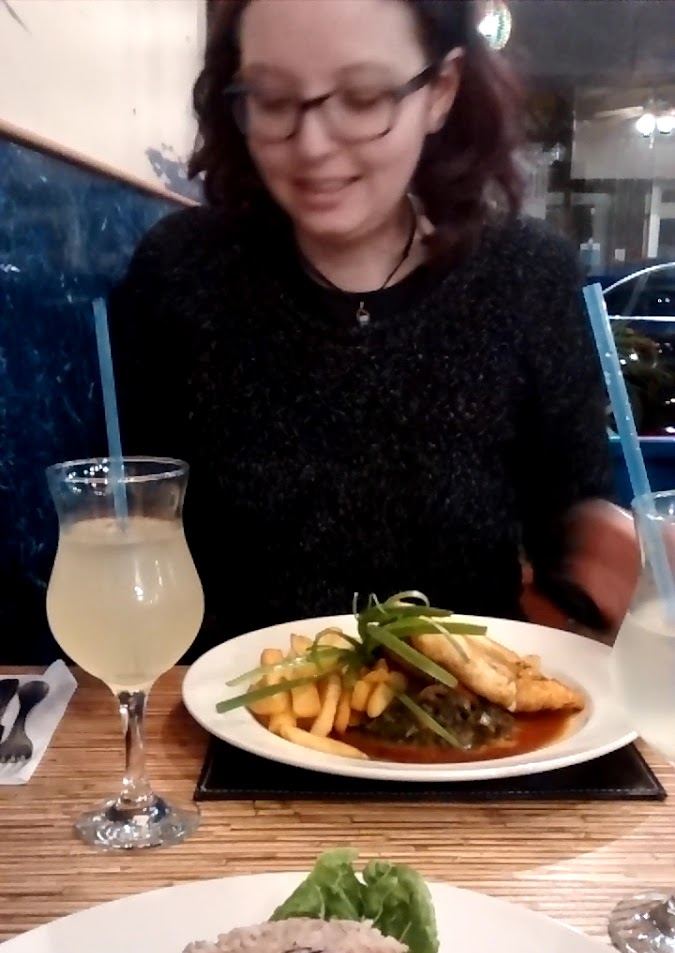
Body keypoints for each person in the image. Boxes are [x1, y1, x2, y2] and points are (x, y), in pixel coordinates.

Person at [109, 0, 639, 658]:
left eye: (361, 98)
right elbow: (134, 522)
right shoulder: (178, 274)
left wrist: (607, 549)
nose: (311, 145)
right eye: (272, 99)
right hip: (233, 705)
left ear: (439, 91)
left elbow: (573, 527)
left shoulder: (530, 277)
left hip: (465, 709)